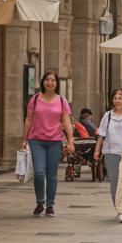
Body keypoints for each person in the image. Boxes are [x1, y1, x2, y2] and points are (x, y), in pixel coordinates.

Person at [22, 69, 75, 218]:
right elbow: (28, 120)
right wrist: (24, 139)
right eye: (47, 79)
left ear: (56, 83)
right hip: (36, 139)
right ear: (43, 82)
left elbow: (66, 122)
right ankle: (40, 203)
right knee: (39, 172)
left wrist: (70, 141)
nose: (50, 82)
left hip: (55, 141)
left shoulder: (62, 101)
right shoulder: (36, 99)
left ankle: (50, 205)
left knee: (52, 174)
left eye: (52, 80)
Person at [95, 87, 122, 223]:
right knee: (115, 183)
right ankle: (120, 210)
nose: (117, 100)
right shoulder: (108, 115)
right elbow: (101, 135)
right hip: (111, 152)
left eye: (120, 97)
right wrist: (97, 151)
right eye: (115, 98)